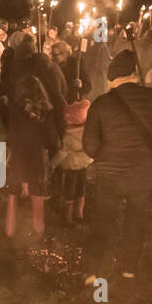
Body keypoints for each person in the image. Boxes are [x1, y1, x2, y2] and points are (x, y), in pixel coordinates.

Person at [81, 49, 152, 282]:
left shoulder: (101, 104)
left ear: (113, 78)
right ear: (135, 73)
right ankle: (129, 267)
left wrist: (106, 157)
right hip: (143, 173)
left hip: (110, 175)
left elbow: (89, 146)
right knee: (136, 218)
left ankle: (94, 271)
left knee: (103, 219)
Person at [5, 74, 60, 239]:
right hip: (37, 159)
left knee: (13, 197)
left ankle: (9, 233)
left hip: (18, 158)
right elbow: (52, 140)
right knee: (38, 199)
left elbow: (11, 137)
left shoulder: (14, 110)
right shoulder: (46, 112)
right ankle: (38, 236)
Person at [53, 96, 92, 225]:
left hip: (71, 165)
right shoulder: (87, 132)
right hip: (84, 163)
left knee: (69, 189)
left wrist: (52, 164)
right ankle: (79, 213)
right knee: (81, 187)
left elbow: (62, 152)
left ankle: (68, 217)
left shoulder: (68, 135)